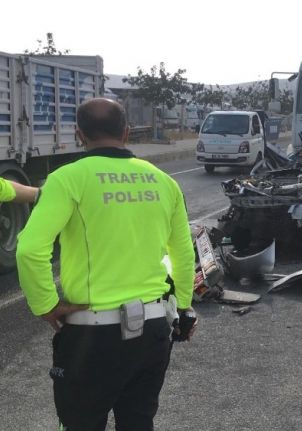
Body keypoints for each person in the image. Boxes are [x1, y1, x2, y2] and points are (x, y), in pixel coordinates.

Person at [16, 98, 196, 430]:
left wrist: (46, 305)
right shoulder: (163, 181)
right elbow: (184, 254)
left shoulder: (67, 179)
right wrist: (184, 309)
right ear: (127, 132)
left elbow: (29, 250)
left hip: (91, 337)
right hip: (154, 330)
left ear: (78, 134)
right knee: (138, 422)